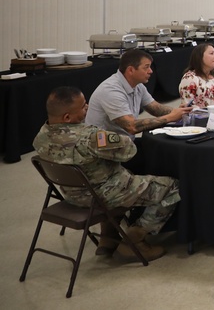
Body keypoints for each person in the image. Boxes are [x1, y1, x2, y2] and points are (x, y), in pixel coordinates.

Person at [34, 86, 180, 262]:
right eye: (83, 107)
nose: (87, 108)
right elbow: (129, 150)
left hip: (71, 195)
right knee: (173, 186)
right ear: (67, 117)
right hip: (104, 194)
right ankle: (134, 240)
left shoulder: (41, 136)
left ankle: (107, 237)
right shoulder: (91, 137)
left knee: (122, 174)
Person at [85, 49, 192, 137]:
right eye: (146, 67)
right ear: (130, 70)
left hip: (122, 145)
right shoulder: (111, 90)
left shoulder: (138, 86)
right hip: (102, 150)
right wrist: (170, 117)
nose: (151, 71)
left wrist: (179, 112)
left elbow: (155, 108)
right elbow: (132, 127)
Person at [178, 42, 214, 108]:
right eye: (211, 53)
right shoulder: (190, 78)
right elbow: (188, 106)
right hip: (199, 117)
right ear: (200, 57)